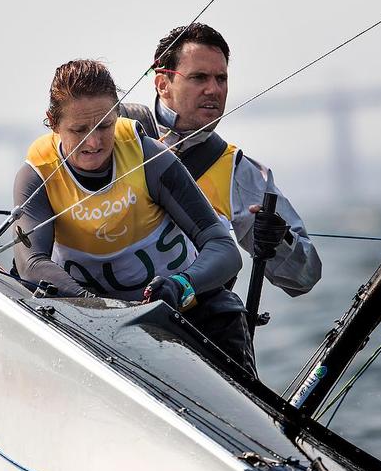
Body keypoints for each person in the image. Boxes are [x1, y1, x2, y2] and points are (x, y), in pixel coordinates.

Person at [13, 59, 257, 373]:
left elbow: (224, 249)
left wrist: (180, 285)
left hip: (194, 319)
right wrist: (99, 306)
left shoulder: (148, 157)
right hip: (101, 333)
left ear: (117, 114)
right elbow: (30, 264)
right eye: (79, 129)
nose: (94, 142)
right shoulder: (36, 176)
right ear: (53, 123)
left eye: (104, 125)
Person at [119, 23, 321, 297]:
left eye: (221, 79)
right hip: (94, 317)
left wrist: (279, 240)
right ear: (162, 84)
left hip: (185, 326)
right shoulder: (110, 135)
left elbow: (304, 278)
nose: (213, 90)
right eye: (199, 78)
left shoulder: (238, 172)